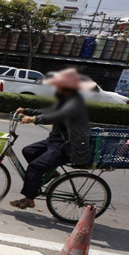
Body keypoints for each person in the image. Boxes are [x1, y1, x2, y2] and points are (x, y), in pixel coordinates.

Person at [10, 68, 92, 210]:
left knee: (35, 166)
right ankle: (51, 172)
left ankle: (29, 199)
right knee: (28, 151)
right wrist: (27, 110)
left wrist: (33, 119)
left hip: (66, 146)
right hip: (54, 142)